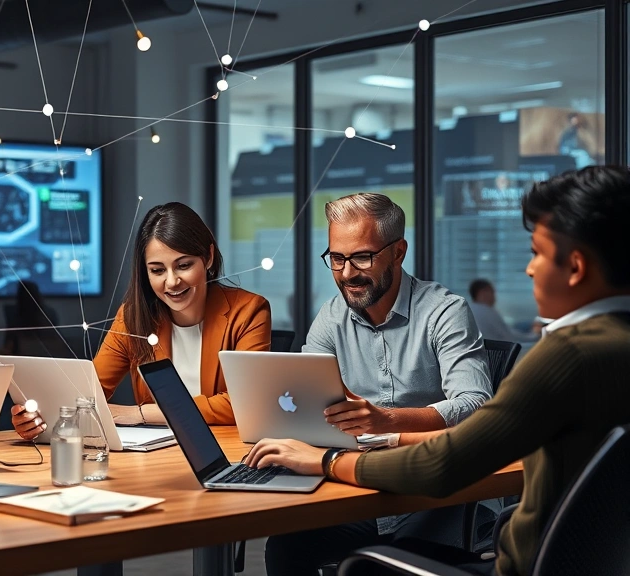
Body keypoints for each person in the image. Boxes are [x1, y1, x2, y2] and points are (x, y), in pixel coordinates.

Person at [247, 165, 630, 576]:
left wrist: (326, 461)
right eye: (337, 259)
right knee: (290, 545)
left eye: (536, 252)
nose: (529, 269)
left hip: (506, 557)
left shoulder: (565, 356)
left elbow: (446, 462)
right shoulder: (613, 346)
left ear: (575, 267)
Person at [264, 193, 493, 574]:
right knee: (285, 547)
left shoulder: (444, 311)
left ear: (398, 252)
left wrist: (386, 420)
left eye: (362, 257)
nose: (347, 273)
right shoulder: (332, 316)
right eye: (337, 259)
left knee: (382, 568)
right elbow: (301, 395)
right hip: (357, 486)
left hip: (434, 493)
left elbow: (475, 405)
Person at [11, 202, 272, 438]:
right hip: (159, 452)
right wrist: (37, 419)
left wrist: (141, 414)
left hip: (229, 450)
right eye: (157, 270)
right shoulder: (132, 316)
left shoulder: (249, 311)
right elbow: (90, 392)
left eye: (184, 265)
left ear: (209, 258)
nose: (171, 281)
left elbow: (244, 404)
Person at [468, 278, 540, 343]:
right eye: (492, 292)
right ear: (482, 293)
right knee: (527, 326)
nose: (494, 297)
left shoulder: (469, 309)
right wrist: (535, 335)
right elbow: (508, 336)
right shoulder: (486, 311)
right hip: (497, 347)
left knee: (521, 325)